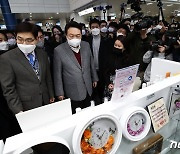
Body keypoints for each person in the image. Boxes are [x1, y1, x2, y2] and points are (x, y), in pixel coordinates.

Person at [0, 22, 55, 114]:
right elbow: (8, 88)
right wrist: (18, 110)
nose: (24, 44)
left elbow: (47, 77)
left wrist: (51, 94)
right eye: (20, 39)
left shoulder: (42, 54)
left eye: (29, 40)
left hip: (45, 100)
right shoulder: (7, 58)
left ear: (37, 39)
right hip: (26, 106)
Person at [53, 21, 98, 114]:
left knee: (89, 112)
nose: (75, 38)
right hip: (72, 90)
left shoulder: (86, 45)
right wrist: (60, 92)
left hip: (88, 86)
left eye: (78, 36)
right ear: (66, 35)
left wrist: (95, 78)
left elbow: (91, 63)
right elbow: (57, 74)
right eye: (71, 36)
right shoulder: (59, 50)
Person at [0, 32, 22, 141]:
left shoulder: (12, 57)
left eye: (4, 40)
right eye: (0, 41)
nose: (3, 43)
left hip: (16, 103)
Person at [87, 18, 110, 104]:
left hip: (102, 70)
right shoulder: (87, 41)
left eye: (97, 27)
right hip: (91, 71)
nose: (95, 29)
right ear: (90, 28)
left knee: (101, 89)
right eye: (92, 27)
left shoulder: (106, 40)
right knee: (93, 91)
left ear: (100, 28)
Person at [103, 36, 129, 100]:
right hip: (110, 84)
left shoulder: (127, 58)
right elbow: (106, 71)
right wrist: (108, 83)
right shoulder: (110, 55)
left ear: (124, 48)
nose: (116, 47)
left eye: (119, 46)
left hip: (123, 85)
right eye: (115, 45)